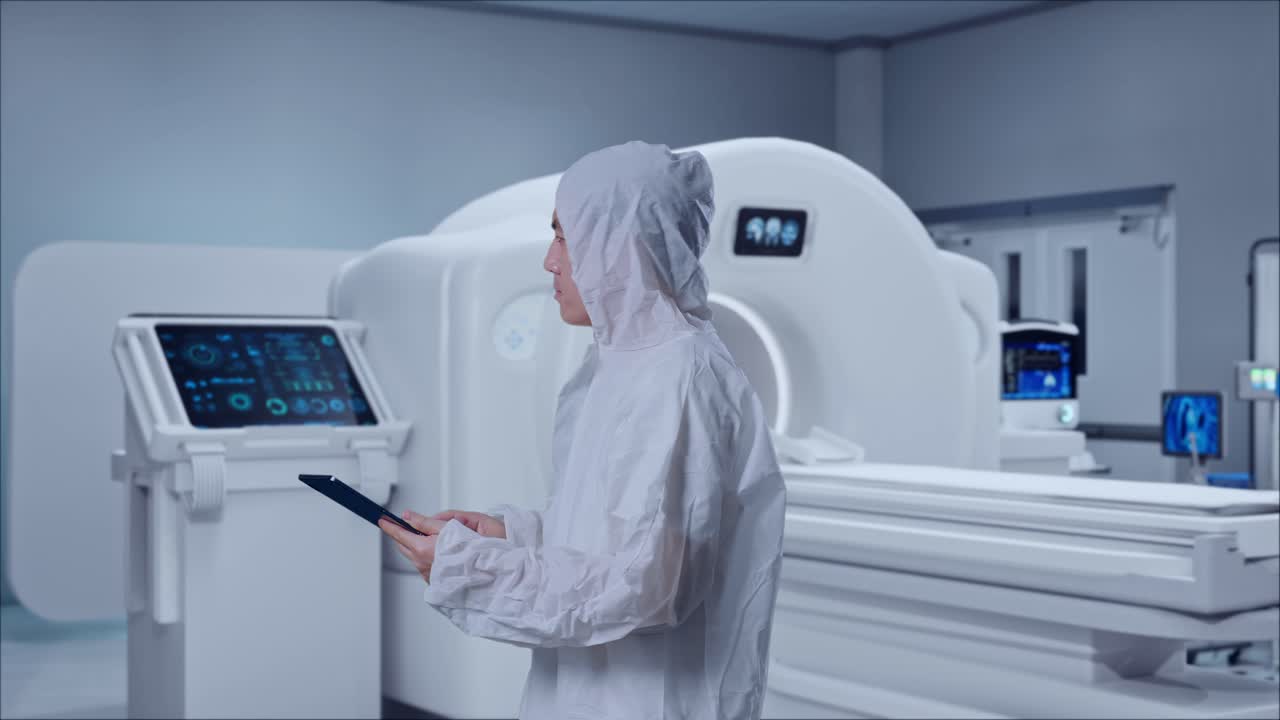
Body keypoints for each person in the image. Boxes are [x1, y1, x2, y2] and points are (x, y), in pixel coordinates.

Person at [378, 141, 786, 720]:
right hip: (586, 694)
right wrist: (507, 535)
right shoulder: (616, 367)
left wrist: (471, 569)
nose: (550, 262)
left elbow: (645, 587)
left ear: (618, 244)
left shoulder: (679, 379)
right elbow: (615, 535)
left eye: (564, 237)